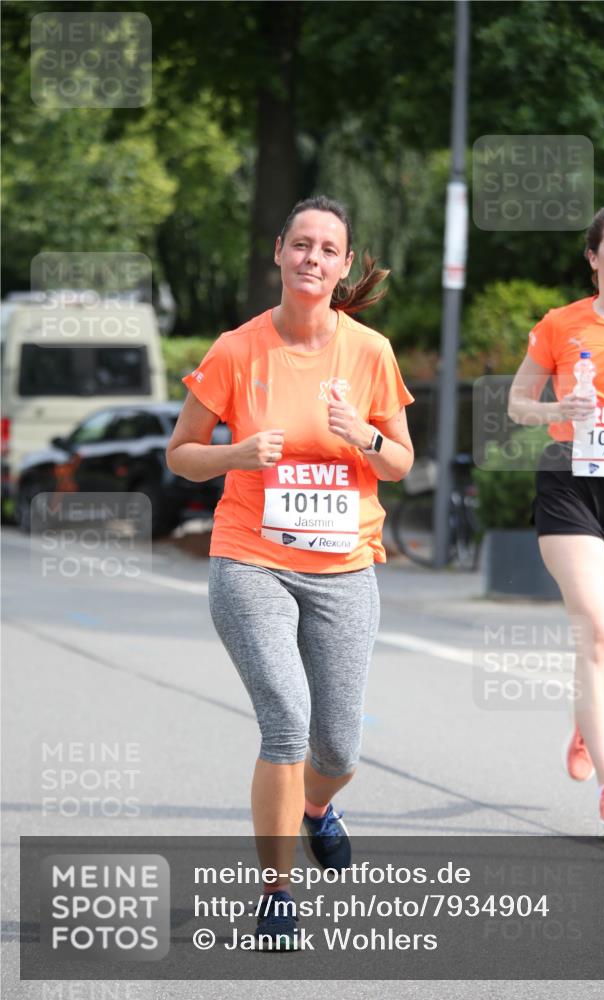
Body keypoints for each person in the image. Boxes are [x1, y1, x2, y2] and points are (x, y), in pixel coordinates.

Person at [166, 195, 414, 947]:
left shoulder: (369, 352)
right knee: (286, 719)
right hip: (251, 558)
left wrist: (363, 435)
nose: (311, 259)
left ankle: (316, 808)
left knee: (336, 747)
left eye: (326, 249)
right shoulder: (238, 349)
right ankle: (277, 892)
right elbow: (180, 453)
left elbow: (401, 464)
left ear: (343, 266)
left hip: (344, 567)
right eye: (299, 244)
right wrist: (234, 455)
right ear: (278, 252)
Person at [509, 205, 604, 838]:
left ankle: (587, 722)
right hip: (572, 480)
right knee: (597, 637)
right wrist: (557, 404)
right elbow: (518, 405)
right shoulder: (560, 325)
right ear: (593, 257)